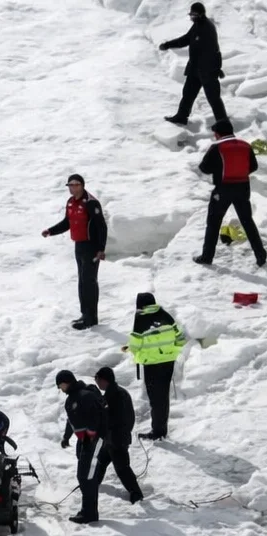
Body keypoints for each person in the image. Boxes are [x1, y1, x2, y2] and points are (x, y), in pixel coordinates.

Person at [194, 119, 266, 266]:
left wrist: (218, 170)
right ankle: (261, 255)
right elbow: (253, 166)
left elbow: (204, 168)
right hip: (243, 188)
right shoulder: (246, 146)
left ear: (218, 134)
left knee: (214, 223)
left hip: (223, 189)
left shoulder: (217, 147)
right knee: (247, 221)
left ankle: (207, 257)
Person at [42, 174, 108, 330]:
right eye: (70, 185)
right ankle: (85, 314)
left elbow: (101, 227)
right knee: (82, 282)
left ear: (82, 185)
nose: (73, 187)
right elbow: (67, 223)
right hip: (79, 245)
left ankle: (91, 318)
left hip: (91, 247)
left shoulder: (91, 203)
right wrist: (51, 231)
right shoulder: (71, 202)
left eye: (76, 184)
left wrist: (101, 249)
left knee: (89, 282)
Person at [123, 293, 187, 441]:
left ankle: (158, 431)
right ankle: (161, 428)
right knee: (163, 396)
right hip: (168, 362)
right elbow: (180, 338)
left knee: (155, 399)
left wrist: (131, 349)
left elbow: (135, 344)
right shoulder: (166, 314)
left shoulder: (141, 317)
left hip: (151, 363)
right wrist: (171, 352)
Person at [159, 3, 227, 126]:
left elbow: (215, 51)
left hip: (208, 71)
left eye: (194, 15)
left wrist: (216, 68)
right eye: (191, 14)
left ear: (201, 14)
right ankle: (181, 116)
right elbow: (185, 39)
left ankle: (223, 124)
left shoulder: (208, 28)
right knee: (188, 94)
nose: (192, 17)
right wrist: (168, 44)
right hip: (195, 69)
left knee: (214, 98)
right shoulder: (197, 25)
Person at [57, 370, 106, 523]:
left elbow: (95, 417)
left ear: (67, 382)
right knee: (85, 476)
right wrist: (66, 437)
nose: (60, 389)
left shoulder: (86, 396)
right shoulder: (71, 400)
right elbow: (71, 421)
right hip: (84, 440)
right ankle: (88, 511)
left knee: (87, 476)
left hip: (94, 440)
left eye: (60, 385)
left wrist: (90, 436)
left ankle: (89, 514)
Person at [91, 367, 143, 511]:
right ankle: (94, 482)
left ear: (103, 380)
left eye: (97, 380)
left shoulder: (114, 396)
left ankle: (136, 493)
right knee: (101, 461)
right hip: (112, 439)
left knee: (122, 468)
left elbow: (113, 418)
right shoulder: (118, 392)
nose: (97, 384)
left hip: (117, 439)